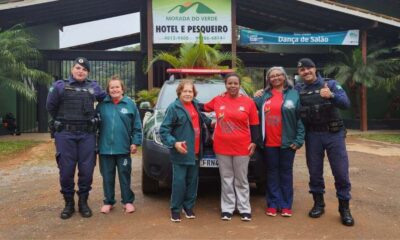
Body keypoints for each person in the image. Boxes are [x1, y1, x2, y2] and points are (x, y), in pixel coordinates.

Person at [295, 58, 354, 226]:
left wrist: (332, 95)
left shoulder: (331, 84)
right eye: (302, 70)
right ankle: (318, 204)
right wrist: (262, 92)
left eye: (308, 68)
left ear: (315, 68)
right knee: (314, 172)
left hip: (333, 134)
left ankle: (344, 208)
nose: (305, 72)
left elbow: (346, 104)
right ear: (299, 73)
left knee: (341, 172)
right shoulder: (298, 89)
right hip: (313, 135)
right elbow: (282, 97)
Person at [46, 57, 106, 219]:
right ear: (72, 69)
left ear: (88, 73)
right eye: (78, 68)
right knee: (66, 170)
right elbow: (50, 106)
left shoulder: (94, 87)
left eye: (84, 69)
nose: (81, 71)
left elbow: (106, 100)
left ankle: (83, 202)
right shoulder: (59, 86)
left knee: (86, 170)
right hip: (65, 134)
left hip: (87, 134)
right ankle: (69, 204)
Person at [202, 73, 259, 221]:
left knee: (241, 179)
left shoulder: (248, 102)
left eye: (235, 83)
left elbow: (254, 124)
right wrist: (184, 98)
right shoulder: (218, 99)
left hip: (242, 146)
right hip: (222, 146)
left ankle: (244, 208)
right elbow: (201, 107)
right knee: (226, 178)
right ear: (225, 85)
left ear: (239, 85)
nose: (232, 86)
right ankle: (227, 208)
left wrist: (254, 142)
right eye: (229, 83)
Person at [253, 66, 305, 217]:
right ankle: (273, 204)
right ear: (268, 79)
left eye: (278, 75)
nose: (275, 78)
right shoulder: (263, 96)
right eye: (272, 76)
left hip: (288, 143)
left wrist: (299, 139)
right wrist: (253, 95)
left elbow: (300, 119)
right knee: (272, 173)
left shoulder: (294, 94)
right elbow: (246, 106)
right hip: (268, 143)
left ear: (284, 76)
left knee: (286, 173)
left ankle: (286, 205)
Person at [159, 80, 210, 223]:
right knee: (179, 182)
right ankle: (175, 209)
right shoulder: (174, 108)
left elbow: (203, 119)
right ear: (179, 92)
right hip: (181, 152)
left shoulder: (195, 105)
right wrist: (174, 143)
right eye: (185, 91)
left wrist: (215, 121)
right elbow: (164, 131)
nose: (188, 94)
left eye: (190, 91)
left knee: (193, 182)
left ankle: (188, 207)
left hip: (195, 152)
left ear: (194, 94)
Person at [96, 76, 142, 214]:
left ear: (122, 89)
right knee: (107, 176)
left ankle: (127, 201)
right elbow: (94, 125)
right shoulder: (102, 105)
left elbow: (137, 126)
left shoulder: (130, 104)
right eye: (112, 87)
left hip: (123, 148)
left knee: (124, 175)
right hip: (105, 149)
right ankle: (108, 202)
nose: (115, 89)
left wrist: (135, 142)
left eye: (117, 87)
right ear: (108, 90)